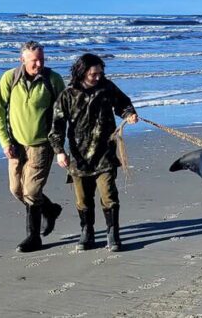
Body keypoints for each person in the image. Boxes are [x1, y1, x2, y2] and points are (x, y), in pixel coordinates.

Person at [49, 53, 138, 252]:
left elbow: (123, 103)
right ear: (82, 73)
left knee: (109, 195)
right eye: (93, 74)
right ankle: (87, 232)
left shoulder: (107, 88)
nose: (98, 77)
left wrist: (129, 114)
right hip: (79, 157)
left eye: (100, 73)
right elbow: (57, 125)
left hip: (105, 153)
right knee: (83, 199)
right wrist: (59, 151)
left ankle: (113, 234)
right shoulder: (68, 95)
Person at [0, 41, 66, 252]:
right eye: (34, 60)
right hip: (16, 145)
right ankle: (50, 209)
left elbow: (63, 114)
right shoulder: (10, 78)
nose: (39, 64)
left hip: (42, 145)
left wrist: (59, 145)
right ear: (22, 59)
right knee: (16, 189)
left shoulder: (53, 80)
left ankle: (33, 237)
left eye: (42, 59)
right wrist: (5, 142)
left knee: (32, 191)